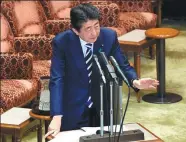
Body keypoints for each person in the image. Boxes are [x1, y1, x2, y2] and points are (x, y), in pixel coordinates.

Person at [45, 3, 159, 138]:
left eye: (96, 26)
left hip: (102, 107)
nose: (94, 33)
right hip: (73, 107)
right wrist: (57, 116)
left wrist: (135, 81)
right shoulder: (62, 42)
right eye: (88, 29)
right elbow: (57, 79)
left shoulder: (108, 37)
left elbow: (122, 65)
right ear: (76, 30)